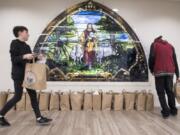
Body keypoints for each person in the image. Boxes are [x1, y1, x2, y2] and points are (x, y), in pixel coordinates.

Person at [0, 26, 52, 127]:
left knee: (33, 96)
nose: (28, 34)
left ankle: (39, 118)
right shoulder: (14, 43)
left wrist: (37, 57)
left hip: (28, 75)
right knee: (18, 96)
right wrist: (24, 56)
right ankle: (1, 115)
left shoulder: (27, 46)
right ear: (20, 33)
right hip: (18, 75)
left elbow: (29, 62)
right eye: (26, 32)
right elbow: (14, 59)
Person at [149, 36, 180, 118]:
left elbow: (151, 58)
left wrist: (152, 69)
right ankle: (173, 110)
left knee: (161, 92)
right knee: (170, 91)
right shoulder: (170, 46)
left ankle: (166, 112)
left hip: (159, 72)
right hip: (170, 72)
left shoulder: (154, 45)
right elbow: (175, 61)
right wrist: (177, 74)